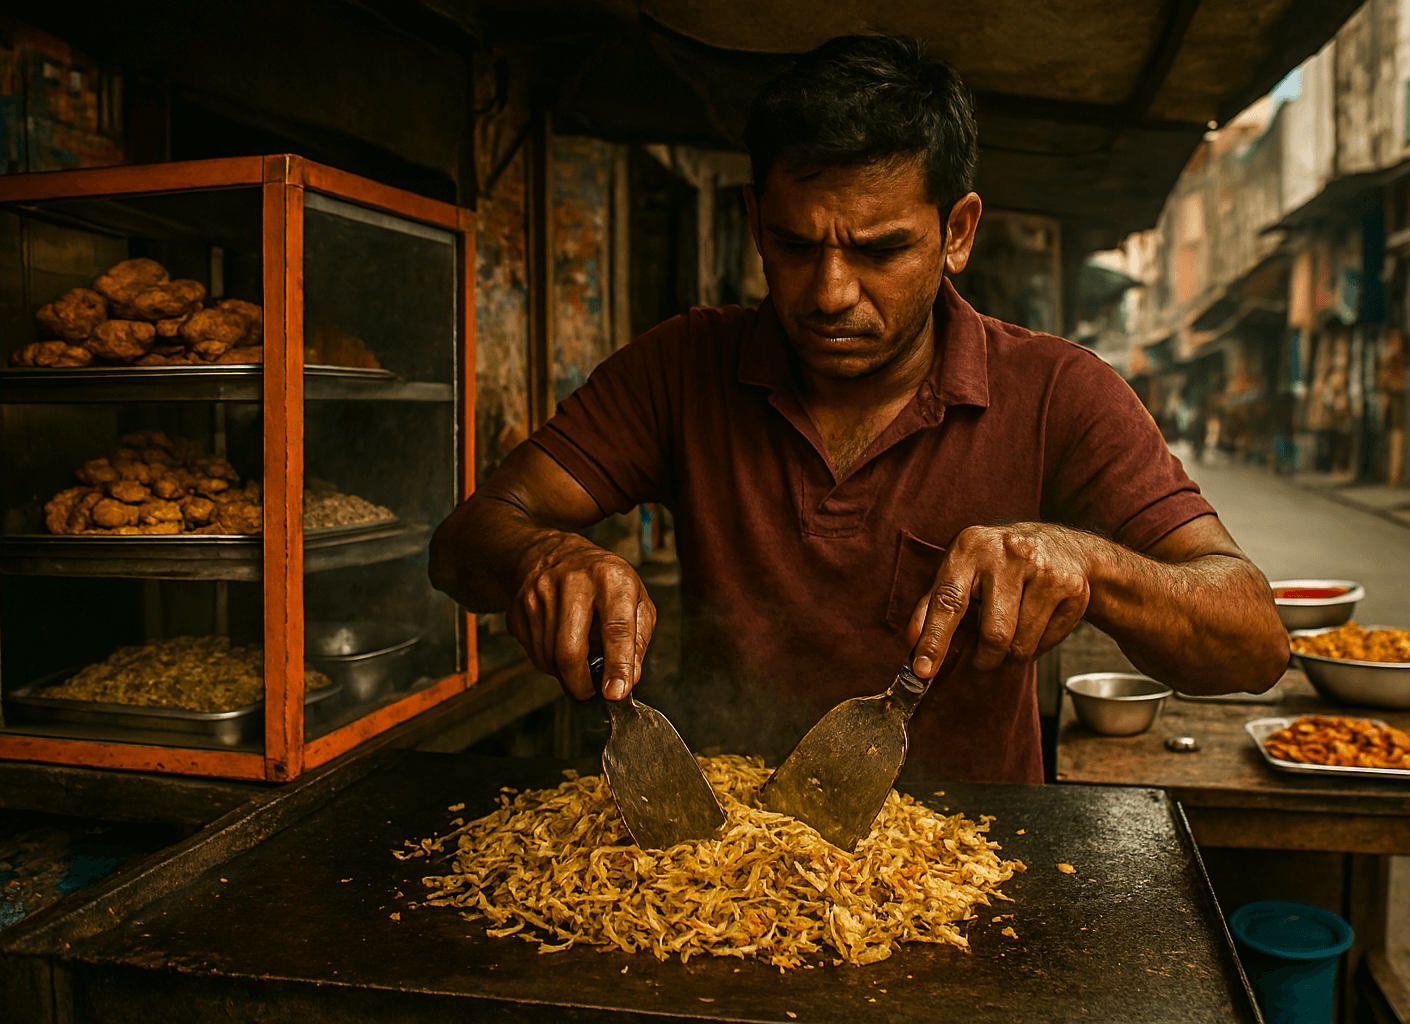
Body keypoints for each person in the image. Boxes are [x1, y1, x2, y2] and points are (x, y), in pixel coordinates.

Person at [430, 35, 1288, 784]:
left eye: (880, 250)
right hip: (730, 866)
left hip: (973, 864)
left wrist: (1090, 564)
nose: (830, 293)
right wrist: (543, 555)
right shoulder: (682, 365)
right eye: (795, 245)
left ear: (957, 232)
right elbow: (465, 540)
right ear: (755, 220)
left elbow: (1253, 640)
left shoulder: (1058, 392)